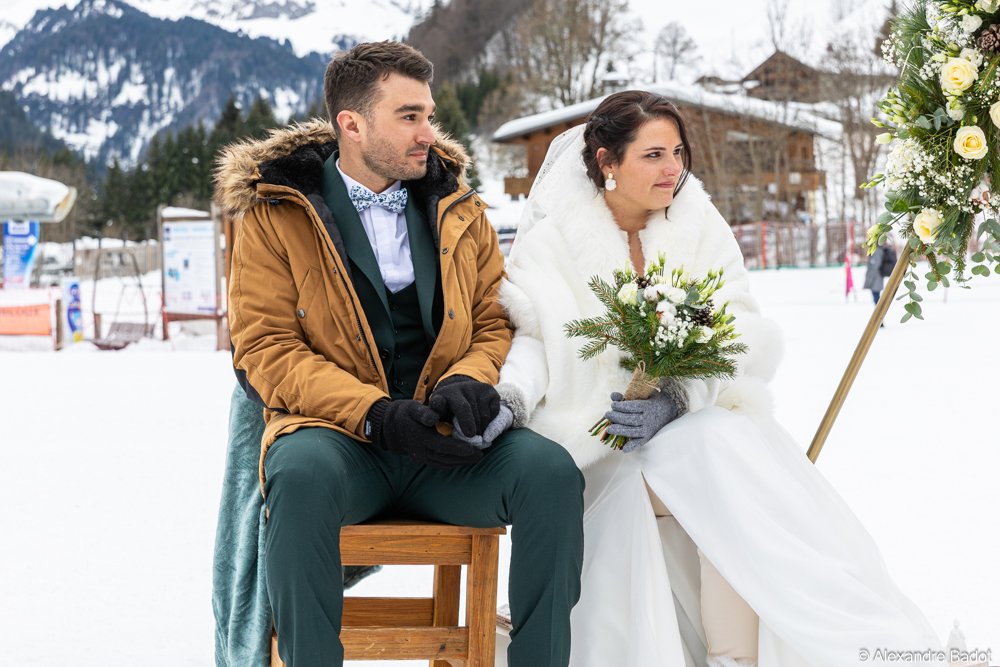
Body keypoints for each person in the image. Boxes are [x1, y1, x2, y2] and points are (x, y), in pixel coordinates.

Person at [493, 91, 943, 667]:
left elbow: (738, 329)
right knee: (725, 459)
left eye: (678, 152)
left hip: (693, 429)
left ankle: (772, 647)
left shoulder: (699, 224)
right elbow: (534, 339)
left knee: (718, 445)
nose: (673, 168)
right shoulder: (551, 244)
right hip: (600, 440)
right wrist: (511, 397)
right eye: (654, 154)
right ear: (607, 162)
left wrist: (678, 397)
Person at [215, 41, 584, 667]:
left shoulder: (461, 209)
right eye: (409, 116)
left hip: (445, 445)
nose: (428, 134)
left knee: (550, 474)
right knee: (298, 477)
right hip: (338, 443)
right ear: (352, 125)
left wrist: (468, 380)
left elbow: (494, 319)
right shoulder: (274, 215)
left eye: (429, 116)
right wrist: (375, 415)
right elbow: (266, 349)